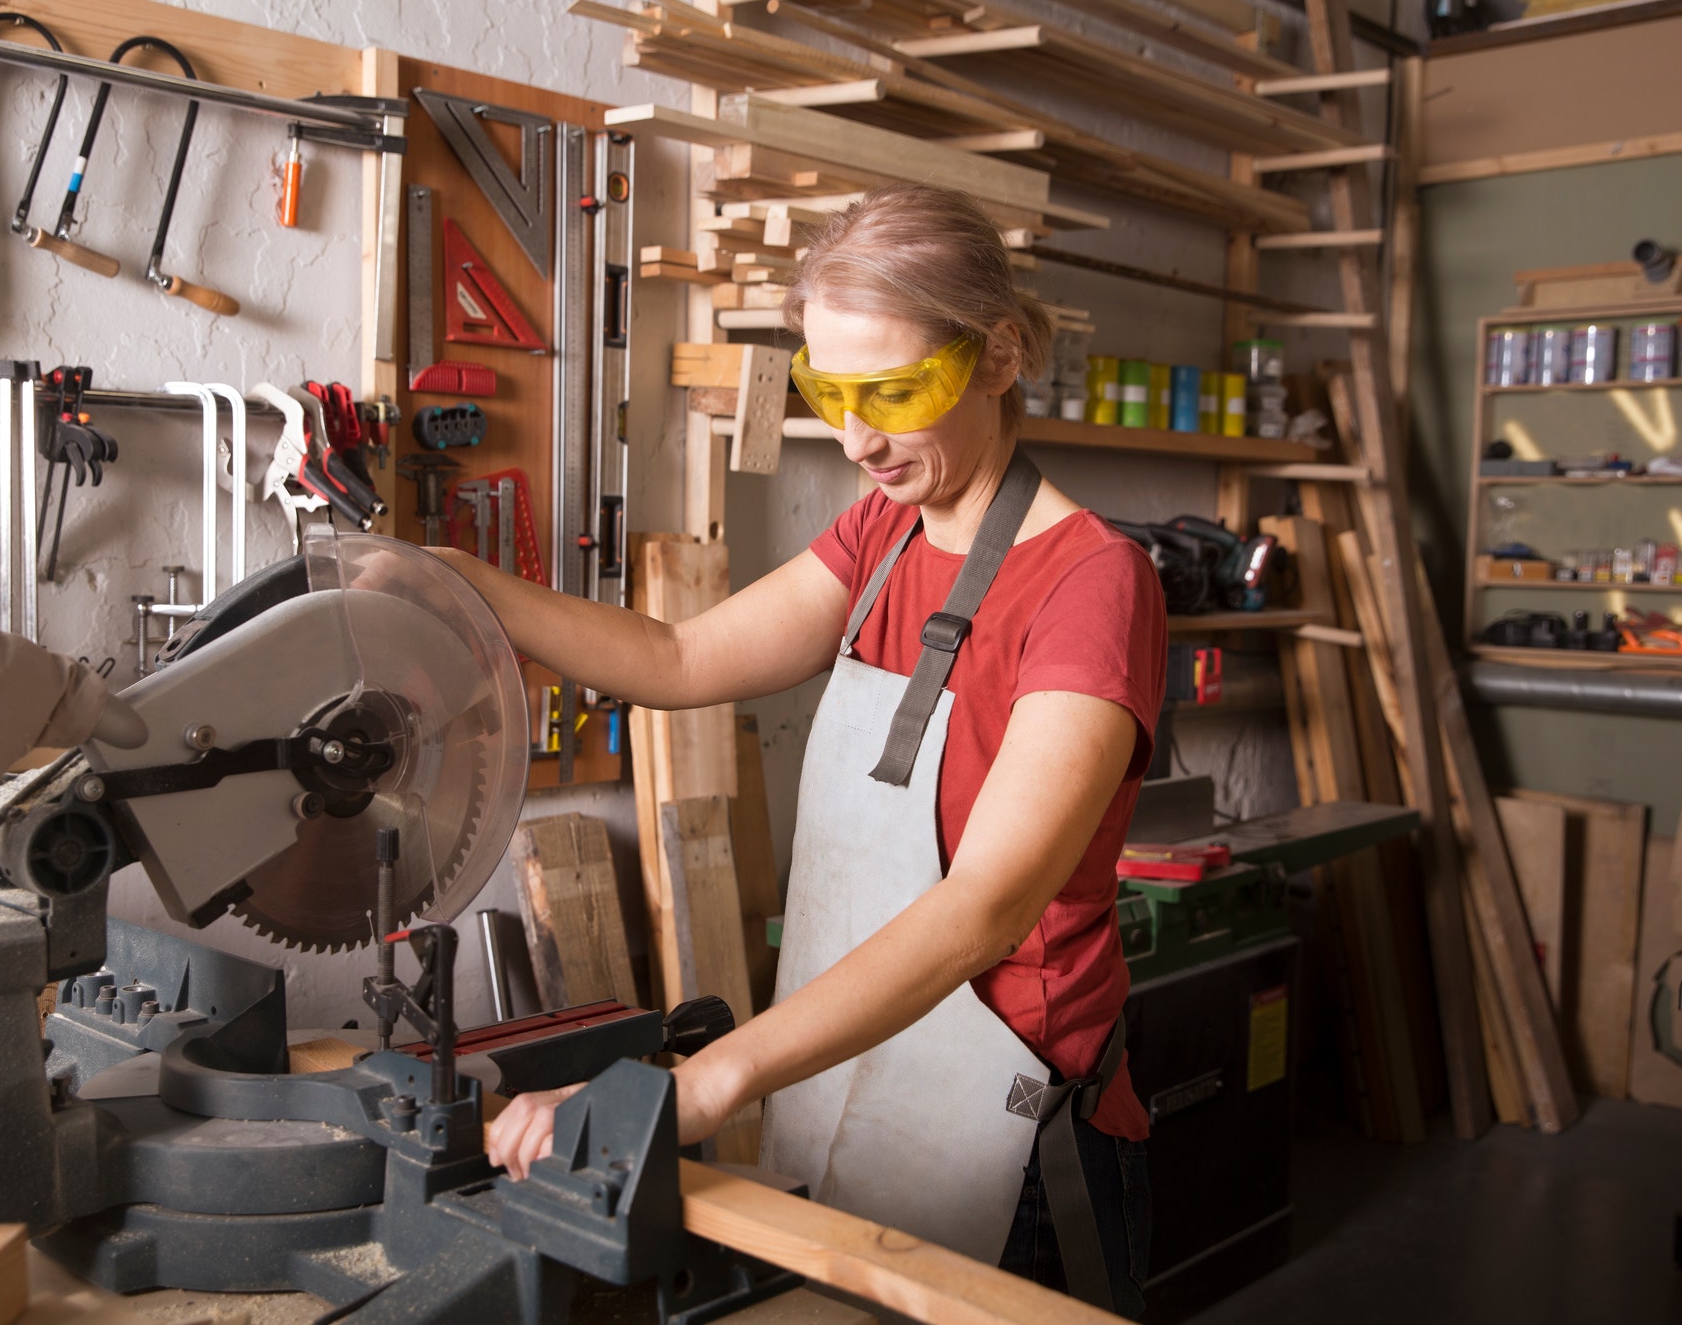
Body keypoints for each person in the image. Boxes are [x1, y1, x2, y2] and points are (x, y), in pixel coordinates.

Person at [447, 184, 1166, 1314]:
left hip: (1013, 1132)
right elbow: (677, 658)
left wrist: (709, 1078)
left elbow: (982, 904)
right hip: (841, 1081)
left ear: (999, 354)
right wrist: (459, 589)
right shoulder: (883, 530)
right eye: (830, 390)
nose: (856, 436)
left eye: (894, 390)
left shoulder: (1088, 583)